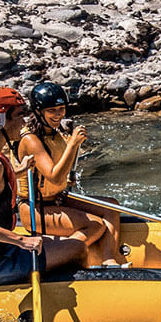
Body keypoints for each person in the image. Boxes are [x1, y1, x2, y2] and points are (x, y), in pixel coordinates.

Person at [0, 87, 86, 286]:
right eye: (19, 116)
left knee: (60, 244)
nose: (24, 123)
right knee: (78, 249)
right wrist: (21, 241)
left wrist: (17, 172)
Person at [15, 82, 126, 267]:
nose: (58, 114)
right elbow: (54, 176)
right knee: (95, 225)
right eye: (52, 110)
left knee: (111, 206)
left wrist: (67, 179)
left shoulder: (54, 133)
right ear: (38, 111)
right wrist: (73, 144)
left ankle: (108, 260)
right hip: (36, 209)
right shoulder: (31, 140)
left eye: (61, 109)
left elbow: (59, 175)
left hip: (57, 199)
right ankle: (60, 255)